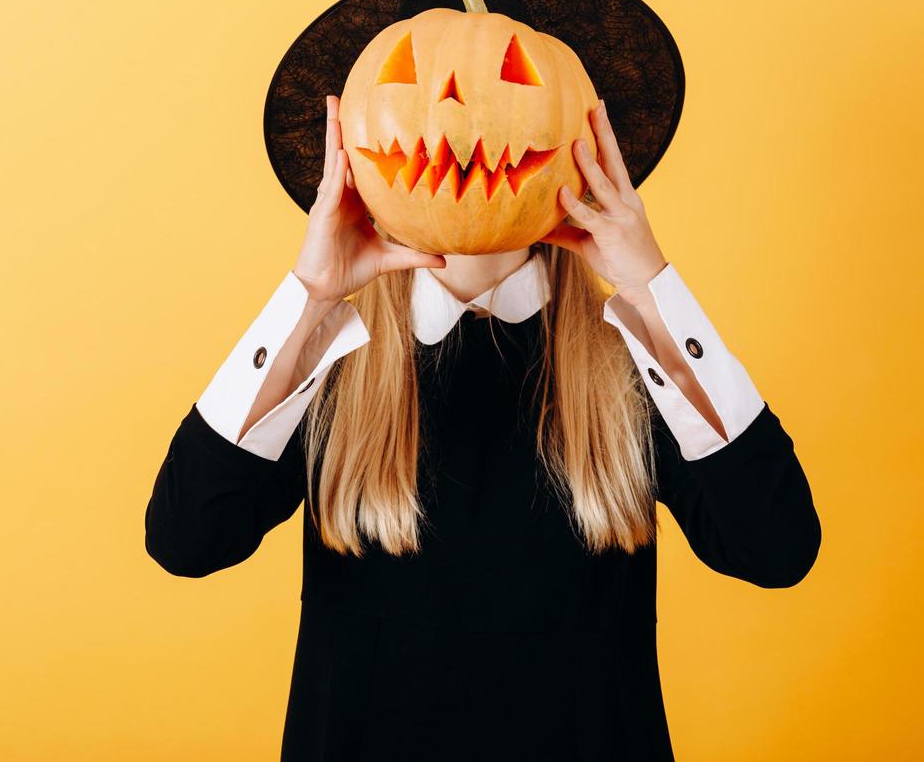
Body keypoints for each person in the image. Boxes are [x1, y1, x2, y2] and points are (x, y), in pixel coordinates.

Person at [144, 94, 821, 760]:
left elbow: (775, 547)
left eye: (505, 94)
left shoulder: (635, 369)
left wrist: (653, 287)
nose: (464, 125)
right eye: (426, 101)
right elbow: (187, 539)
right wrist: (307, 296)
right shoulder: (325, 366)